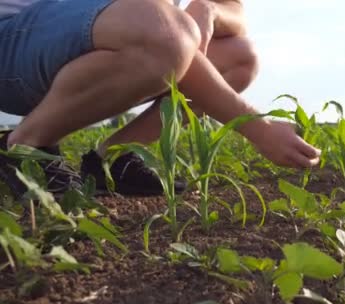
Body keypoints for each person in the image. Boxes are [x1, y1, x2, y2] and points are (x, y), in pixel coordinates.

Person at [0, 0, 321, 198]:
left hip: (97, 46)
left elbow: (234, 11)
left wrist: (209, 9)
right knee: (166, 31)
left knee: (239, 57)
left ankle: (112, 161)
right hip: (13, 45)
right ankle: (25, 146)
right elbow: (163, 35)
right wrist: (259, 128)